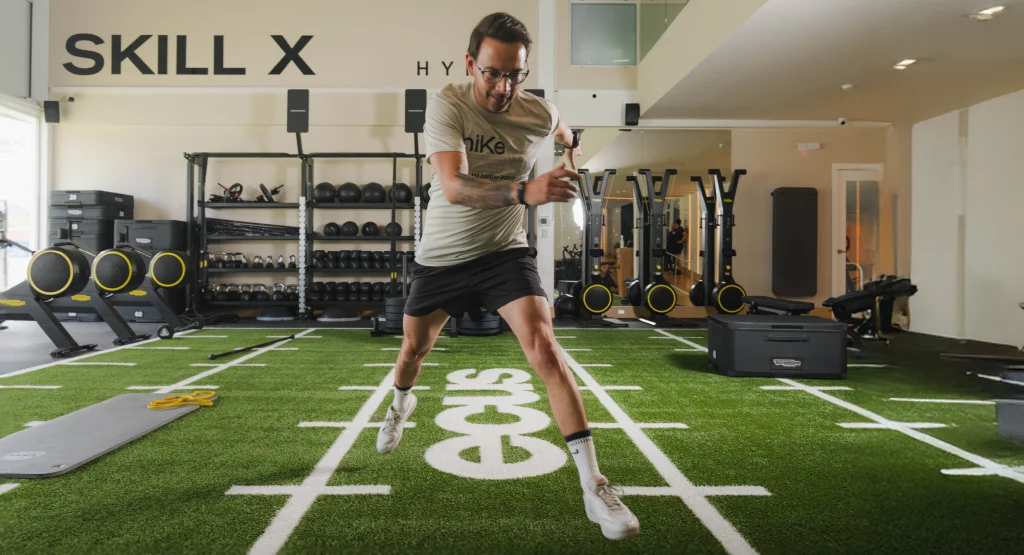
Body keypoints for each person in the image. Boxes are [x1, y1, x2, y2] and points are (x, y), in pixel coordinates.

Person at [375, 12, 640, 541]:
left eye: (515, 75)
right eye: (492, 73)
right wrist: (525, 191)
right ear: (470, 63)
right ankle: (400, 405)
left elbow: (562, 127)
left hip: (504, 252)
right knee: (412, 352)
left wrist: (570, 148)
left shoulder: (537, 111)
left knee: (546, 349)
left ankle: (595, 486)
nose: (503, 87)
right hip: (443, 257)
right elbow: (454, 187)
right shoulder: (447, 105)